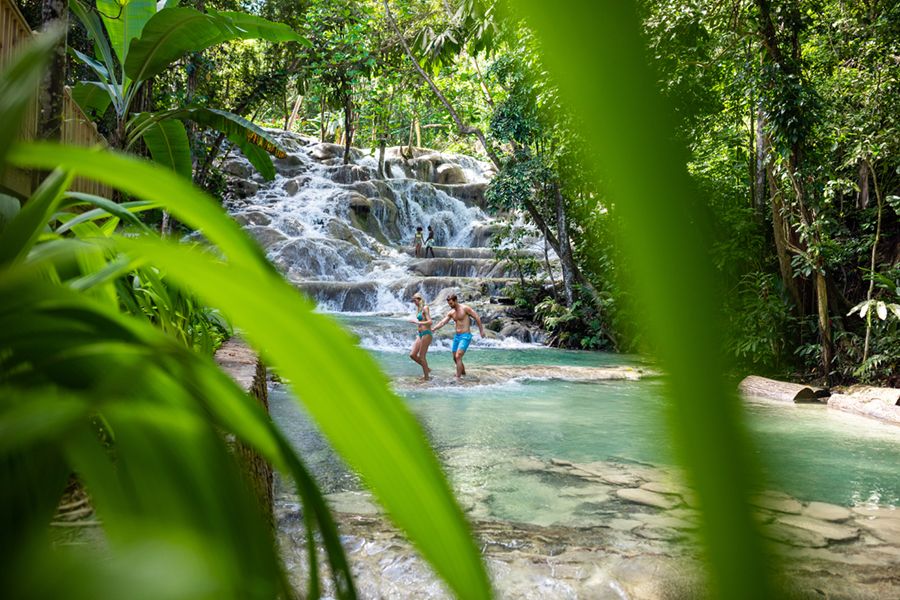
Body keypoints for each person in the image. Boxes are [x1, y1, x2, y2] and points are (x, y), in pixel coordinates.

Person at [432, 294, 485, 379]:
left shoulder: (465, 308)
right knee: (454, 358)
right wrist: (434, 328)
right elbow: (443, 322)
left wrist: (481, 330)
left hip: (465, 336)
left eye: (451, 303)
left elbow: (476, 317)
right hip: (457, 337)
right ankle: (463, 373)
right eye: (449, 304)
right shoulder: (451, 312)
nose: (450, 305)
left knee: (458, 356)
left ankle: (458, 378)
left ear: (456, 300)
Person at [408, 292, 433, 380]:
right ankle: (427, 369)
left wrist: (417, 322)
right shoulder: (418, 308)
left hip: (426, 333)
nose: (414, 302)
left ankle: (426, 378)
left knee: (422, 356)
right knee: (412, 355)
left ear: (419, 299)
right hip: (420, 334)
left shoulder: (425, 308)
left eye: (414, 300)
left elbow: (430, 322)